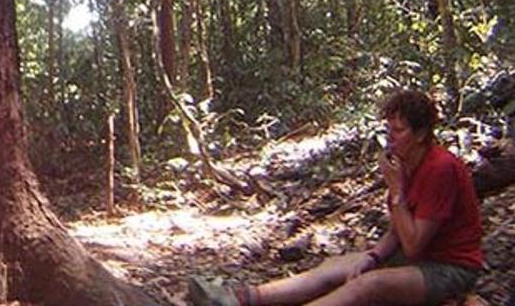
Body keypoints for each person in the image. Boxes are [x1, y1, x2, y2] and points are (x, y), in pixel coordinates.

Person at [190, 89, 484, 306]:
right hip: (415, 258)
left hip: (449, 268)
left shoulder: (440, 168)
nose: (391, 138)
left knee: (368, 286)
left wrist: (396, 193)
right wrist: (371, 256)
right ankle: (239, 300)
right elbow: (397, 232)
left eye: (399, 131)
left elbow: (414, 243)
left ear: (420, 134)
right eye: (388, 130)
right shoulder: (406, 164)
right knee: (335, 269)